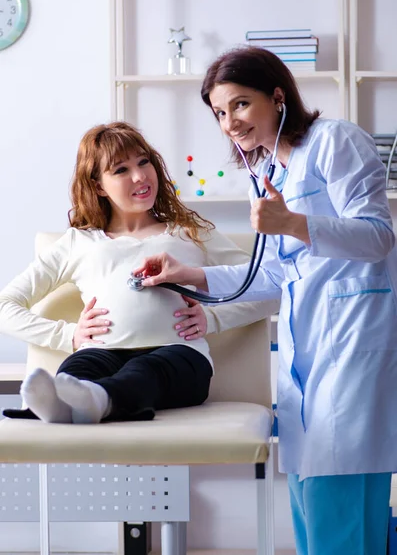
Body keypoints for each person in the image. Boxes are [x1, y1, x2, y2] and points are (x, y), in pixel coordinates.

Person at [133, 46, 397, 555]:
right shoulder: (269, 170)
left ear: (277, 97)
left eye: (240, 104)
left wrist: (292, 224)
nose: (230, 122)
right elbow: (277, 274)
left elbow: (378, 236)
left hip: (350, 348)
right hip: (308, 358)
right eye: (218, 112)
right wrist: (189, 274)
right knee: (313, 512)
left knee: (335, 514)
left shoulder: (335, 142)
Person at [0, 121, 278, 426]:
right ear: (97, 186)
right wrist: (68, 335)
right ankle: (70, 403)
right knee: (75, 372)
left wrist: (213, 318)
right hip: (102, 352)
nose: (140, 175)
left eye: (144, 162)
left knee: (145, 372)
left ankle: (97, 399)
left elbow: (270, 285)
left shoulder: (191, 233)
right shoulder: (77, 243)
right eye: (121, 170)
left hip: (180, 356)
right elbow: (6, 306)